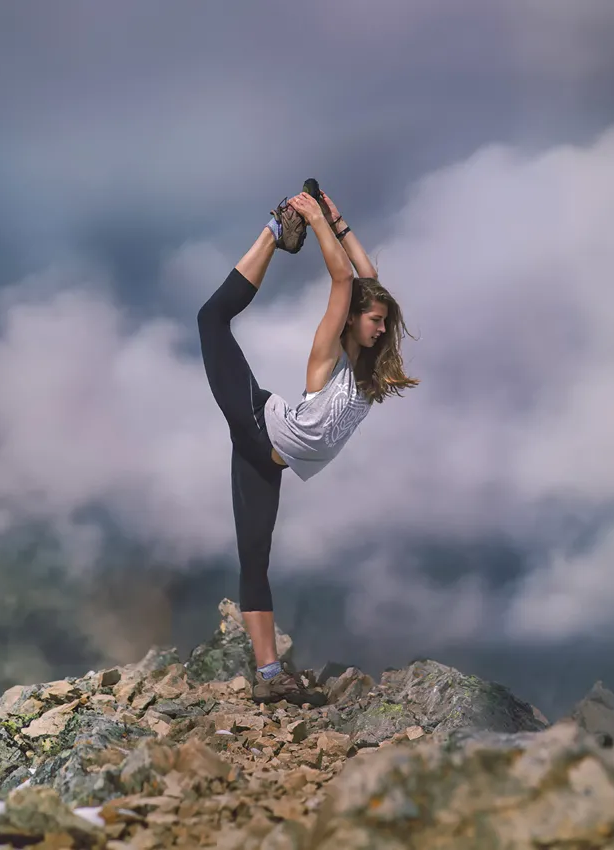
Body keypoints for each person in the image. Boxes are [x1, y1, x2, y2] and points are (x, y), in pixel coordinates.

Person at [196, 186, 418, 704]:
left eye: (385, 322)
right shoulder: (331, 355)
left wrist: (339, 223)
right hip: (256, 422)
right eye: (375, 320)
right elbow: (347, 279)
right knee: (211, 319)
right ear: (352, 322)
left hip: (268, 459)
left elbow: (368, 281)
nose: (382, 327)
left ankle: (270, 676)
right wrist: (313, 219)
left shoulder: (367, 371)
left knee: (255, 559)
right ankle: (274, 233)